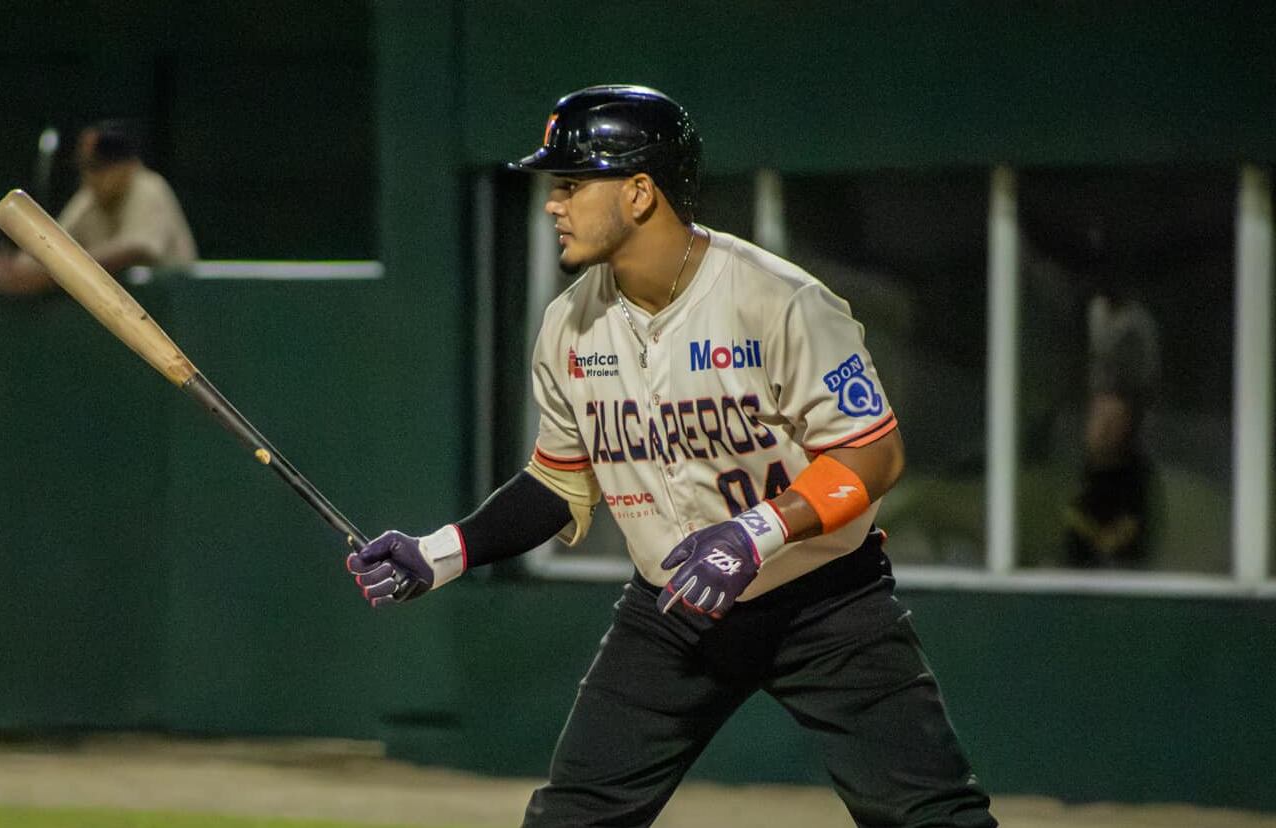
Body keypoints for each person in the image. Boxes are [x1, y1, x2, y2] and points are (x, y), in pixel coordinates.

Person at [346, 86, 996, 827]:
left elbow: (872, 454)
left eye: (569, 184)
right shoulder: (569, 327)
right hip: (674, 613)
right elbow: (558, 484)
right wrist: (442, 552)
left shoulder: (777, 301)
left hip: (827, 604)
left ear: (641, 191)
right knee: (572, 820)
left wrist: (756, 533)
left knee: (935, 819)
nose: (552, 204)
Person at [0, 120, 197, 294]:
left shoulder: (149, 187)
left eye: (98, 167)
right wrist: (19, 267)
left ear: (127, 165)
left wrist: (46, 275)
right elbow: (54, 243)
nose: (90, 177)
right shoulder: (89, 196)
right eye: (86, 168)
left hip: (175, 314)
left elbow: (135, 248)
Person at [1064, 289, 1161, 567]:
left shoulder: (1135, 477)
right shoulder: (1075, 471)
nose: (1105, 430)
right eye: (1099, 420)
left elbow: (1133, 535)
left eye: (1113, 421)